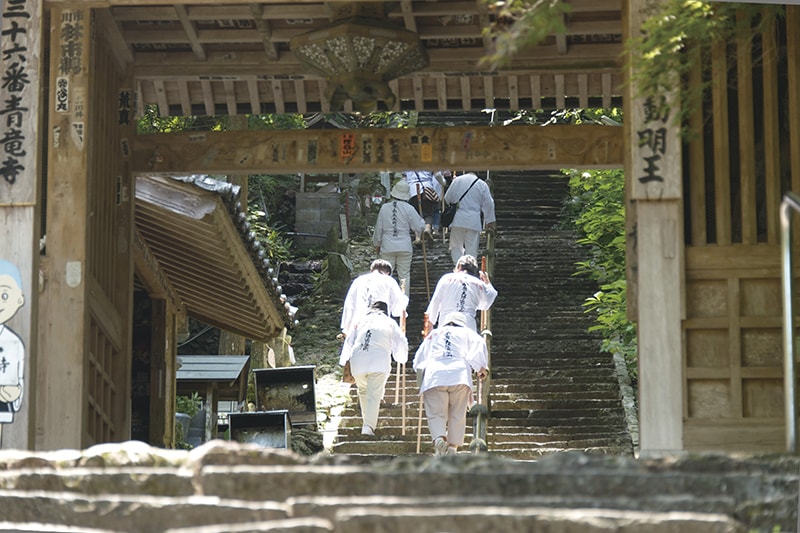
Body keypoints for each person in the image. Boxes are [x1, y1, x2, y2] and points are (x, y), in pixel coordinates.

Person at [413, 311, 489, 455]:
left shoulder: (434, 334)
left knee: (436, 413)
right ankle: (453, 448)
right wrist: (481, 367)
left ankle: (439, 439)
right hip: (459, 374)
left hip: (435, 374)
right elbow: (479, 345)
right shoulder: (467, 333)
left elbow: (419, 359)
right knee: (457, 413)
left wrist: (418, 371)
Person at [339, 301, 409, 436]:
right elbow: (401, 342)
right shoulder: (389, 322)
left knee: (363, 391)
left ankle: (367, 424)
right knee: (374, 395)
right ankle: (368, 427)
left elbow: (349, 342)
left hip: (358, 361)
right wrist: (401, 357)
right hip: (379, 361)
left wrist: (344, 361)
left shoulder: (360, 321)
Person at [372, 180, 426, 297]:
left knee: (385, 275)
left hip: (387, 246)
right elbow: (418, 227)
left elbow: (379, 228)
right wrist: (422, 221)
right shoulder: (409, 208)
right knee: (404, 276)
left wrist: (377, 244)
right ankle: (403, 301)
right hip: (404, 246)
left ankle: (384, 300)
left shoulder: (384, 208)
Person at [424, 254, 497, 334]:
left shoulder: (446, 278)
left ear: (459, 266)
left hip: (446, 324)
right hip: (468, 327)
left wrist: (429, 326)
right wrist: (487, 283)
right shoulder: (478, 284)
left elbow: (435, 303)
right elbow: (488, 300)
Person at [340, 258, 408, 336]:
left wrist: (346, 327)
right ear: (388, 272)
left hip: (359, 323)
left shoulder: (358, 280)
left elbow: (349, 304)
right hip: (380, 323)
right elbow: (398, 307)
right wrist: (404, 300)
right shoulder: (389, 280)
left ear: (371, 270)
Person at [444, 172, 496, 266]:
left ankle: (457, 266)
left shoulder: (457, 181)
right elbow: (489, 204)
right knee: (472, 248)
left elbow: (447, 198)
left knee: (456, 246)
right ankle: (470, 268)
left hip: (458, 219)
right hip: (473, 220)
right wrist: (490, 221)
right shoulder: (481, 184)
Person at [405, 170, 442, 243]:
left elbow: (404, 177)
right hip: (427, 189)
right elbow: (436, 177)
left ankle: (418, 237)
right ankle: (427, 229)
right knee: (428, 213)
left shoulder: (407, 164)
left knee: (415, 214)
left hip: (412, 190)